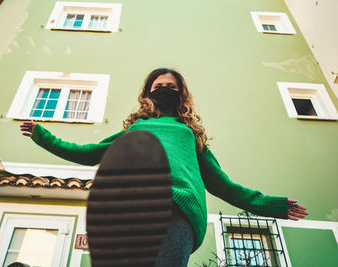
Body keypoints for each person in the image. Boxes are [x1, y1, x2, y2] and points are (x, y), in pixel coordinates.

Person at [20, 68, 308, 267]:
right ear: (148, 93)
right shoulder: (135, 129)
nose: (165, 89)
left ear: (181, 94)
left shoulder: (190, 133)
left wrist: (273, 205)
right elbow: (87, 153)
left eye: (171, 86)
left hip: (177, 209)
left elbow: (223, 184)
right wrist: (42, 135)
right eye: (158, 86)